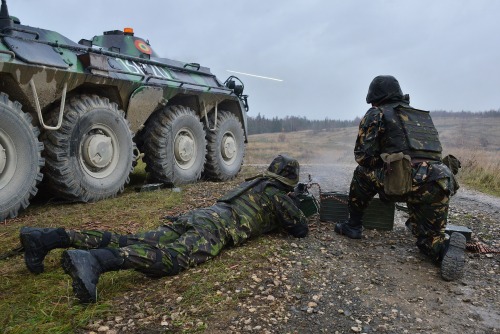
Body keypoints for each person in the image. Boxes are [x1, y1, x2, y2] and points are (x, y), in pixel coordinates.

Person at [20, 155, 309, 303]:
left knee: (134, 238)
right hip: (216, 229)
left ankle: (50, 237)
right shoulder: (278, 196)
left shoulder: (253, 183)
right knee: (173, 258)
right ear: (288, 181)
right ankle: (95, 261)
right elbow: (299, 229)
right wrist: (295, 203)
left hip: (199, 216)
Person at [334, 75, 465, 281]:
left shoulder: (376, 114)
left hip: (406, 181)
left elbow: (363, 157)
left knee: (361, 174)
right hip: (439, 181)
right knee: (428, 241)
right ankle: (445, 249)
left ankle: (353, 225)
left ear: (375, 97)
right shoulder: (419, 116)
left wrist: (385, 163)